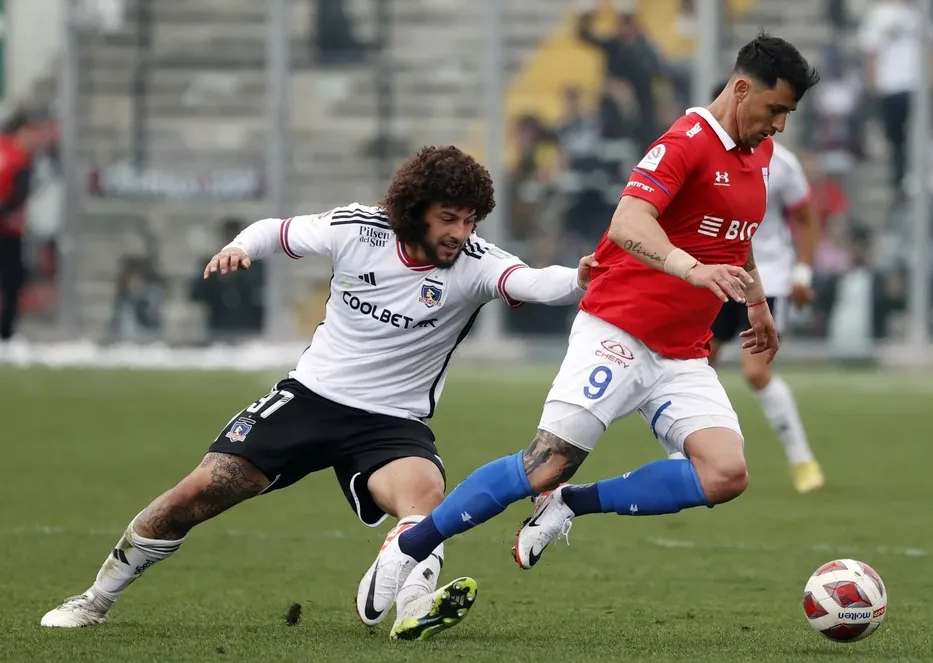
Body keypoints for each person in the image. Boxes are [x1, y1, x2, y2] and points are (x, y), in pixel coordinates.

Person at [40, 146, 596, 640]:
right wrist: (240, 248)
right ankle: (95, 599)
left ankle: (413, 606)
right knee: (193, 495)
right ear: (413, 211)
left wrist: (579, 277)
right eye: (448, 217)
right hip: (309, 400)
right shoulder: (358, 230)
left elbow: (534, 281)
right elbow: (272, 231)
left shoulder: (476, 264)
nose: (460, 231)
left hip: (391, 422)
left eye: (470, 220)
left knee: (424, 497)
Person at [354, 33, 819, 614]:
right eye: (776, 110)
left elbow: (737, 233)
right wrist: (690, 269)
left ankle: (571, 504)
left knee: (725, 474)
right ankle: (410, 546)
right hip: (618, 331)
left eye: (788, 115)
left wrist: (756, 304)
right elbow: (629, 222)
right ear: (743, 88)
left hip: (681, 352)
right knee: (543, 463)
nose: (779, 126)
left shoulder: (761, 154)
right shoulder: (685, 143)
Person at [705, 81, 824, 494]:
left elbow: (807, 217)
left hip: (766, 277)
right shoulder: (702, 153)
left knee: (756, 372)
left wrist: (802, 273)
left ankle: (802, 459)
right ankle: (689, 459)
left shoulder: (780, 161)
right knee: (696, 368)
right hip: (714, 275)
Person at [0, 108, 42, 354]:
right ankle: (5, 333)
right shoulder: (18, 157)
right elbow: (18, 194)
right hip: (8, 229)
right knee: (13, 280)